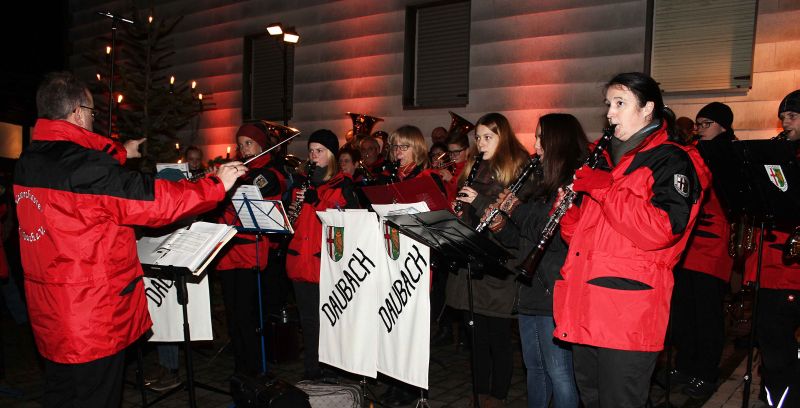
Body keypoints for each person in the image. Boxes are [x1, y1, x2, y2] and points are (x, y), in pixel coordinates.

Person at [13, 71, 244, 407]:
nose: (92, 119)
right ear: (77, 112)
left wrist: (120, 152)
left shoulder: (29, 162)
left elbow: (81, 169)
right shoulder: (87, 170)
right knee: (96, 398)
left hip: (50, 309)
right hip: (90, 315)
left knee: (60, 394)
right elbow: (153, 202)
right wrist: (216, 185)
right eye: (91, 113)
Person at [553, 72, 709, 407]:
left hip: (627, 311)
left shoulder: (671, 159)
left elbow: (662, 229)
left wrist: (603, 189)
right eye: (609, 104)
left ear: (648, 108)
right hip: (587, 303)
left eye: (620, 103)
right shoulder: (607, 159)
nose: (610, 112)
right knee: (591, 399)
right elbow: (578, 237)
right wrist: (566, 211)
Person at [492, 113, 587, 408]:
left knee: (560, 374)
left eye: (540, 137)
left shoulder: (576, 182)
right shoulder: (539, 183)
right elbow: (522, 239)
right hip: (530, 290)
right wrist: (500, 225)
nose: (535, 145)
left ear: (557, 141)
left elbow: (552, 230)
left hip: (553, 291)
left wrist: (515, 208)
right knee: (535, 370)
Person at [446, 113, 531, 407]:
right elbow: (467, 215)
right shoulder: (473, 167)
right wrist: (457, 214)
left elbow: (515, 224)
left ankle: (499, 396)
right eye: (478, 137)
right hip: (474, 259)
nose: (481, 143)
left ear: (502, 137)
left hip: (500, 265)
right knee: (476, 337)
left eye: (488, 137)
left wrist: (478, 202)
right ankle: (479, 394)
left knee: (498, 337)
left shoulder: (517, 170)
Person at [664, 102, 736, 398]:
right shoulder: (697, 151)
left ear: (723, 126)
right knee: (683, 311)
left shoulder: (729, 152)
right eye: (698, 123)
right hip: (689, 245)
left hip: (714, 245)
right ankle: (685, 364)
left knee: (706, 314)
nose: (700, 129)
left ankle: (705, 372)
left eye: (706, 123)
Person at [214, 122, 288, 377]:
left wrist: (233, 179)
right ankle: (240, 368)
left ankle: (255, 371)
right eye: (240, 144)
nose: (243, 149)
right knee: (234, 317)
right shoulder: (236, 170)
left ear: (260, 145)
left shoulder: (269, 171)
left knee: (248, 317)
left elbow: (265, 188)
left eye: (248, 143)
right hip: (227, 251)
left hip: (250, 252)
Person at [741, 89, 800, 406]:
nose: (785, 124)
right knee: (774, 351)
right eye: (783, 118)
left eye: (791, 117)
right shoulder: (779, 154)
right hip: (772, 270)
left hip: (790, 274)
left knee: (782, 353)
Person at [285, 129, 358, 381]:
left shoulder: (343, 184)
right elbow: (289, 220)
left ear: (332, 155)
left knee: (329, 319)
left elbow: (349, 222)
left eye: (320, 151)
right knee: (308, 320)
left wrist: (317, 202)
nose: (314, 156)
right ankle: (312, 369)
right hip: (299, 258)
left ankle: (332, 368)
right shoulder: (299, 181)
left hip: (325, 262)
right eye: (312, 150)